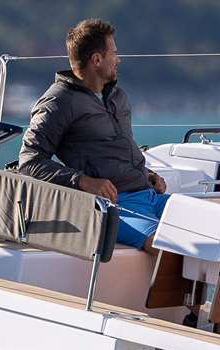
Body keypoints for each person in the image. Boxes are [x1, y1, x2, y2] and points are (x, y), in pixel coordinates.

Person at [15, 18, 168, 250]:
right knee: (168, 246)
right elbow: (29, 161)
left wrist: (147, 174)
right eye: (114, 53)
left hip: (150, 196)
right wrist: (83, 181)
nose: (118, 59)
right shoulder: (58, 102)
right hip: (115, 205)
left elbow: (115, 150)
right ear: (97, 59)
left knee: (218, 228)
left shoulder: (117, 96)